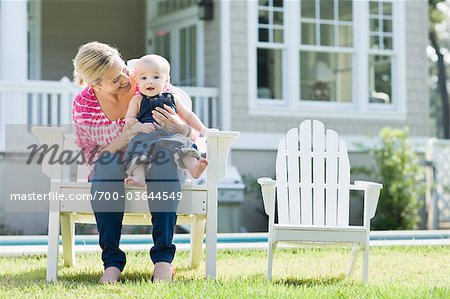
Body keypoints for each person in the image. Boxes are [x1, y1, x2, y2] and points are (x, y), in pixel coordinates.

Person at [72, 41, 193, 283]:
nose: (126, 80)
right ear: (96, 84)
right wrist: (124, 137)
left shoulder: (146, 75)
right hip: (116, 164)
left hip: (158, 157)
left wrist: (182, 129)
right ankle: (112, 262)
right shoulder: (84, 104)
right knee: (104, 167)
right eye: (115, 80)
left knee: (164, 162)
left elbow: (186, 127)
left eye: (124, 71)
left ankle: (163, 261)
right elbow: (92, 155)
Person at [124, 54, 208, 187]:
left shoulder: (173, 98)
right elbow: (129, 119)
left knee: (183, 145)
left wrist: (202, 129)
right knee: (136, 150)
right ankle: (139, 178)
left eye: (156, 77)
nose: (149, 81)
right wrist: (140, 126)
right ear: (138, 81)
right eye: (143, 78)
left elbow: (188, 115)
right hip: (145, 136)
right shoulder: (137, 100)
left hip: (171, 135)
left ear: (166, 80)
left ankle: (194, 168)